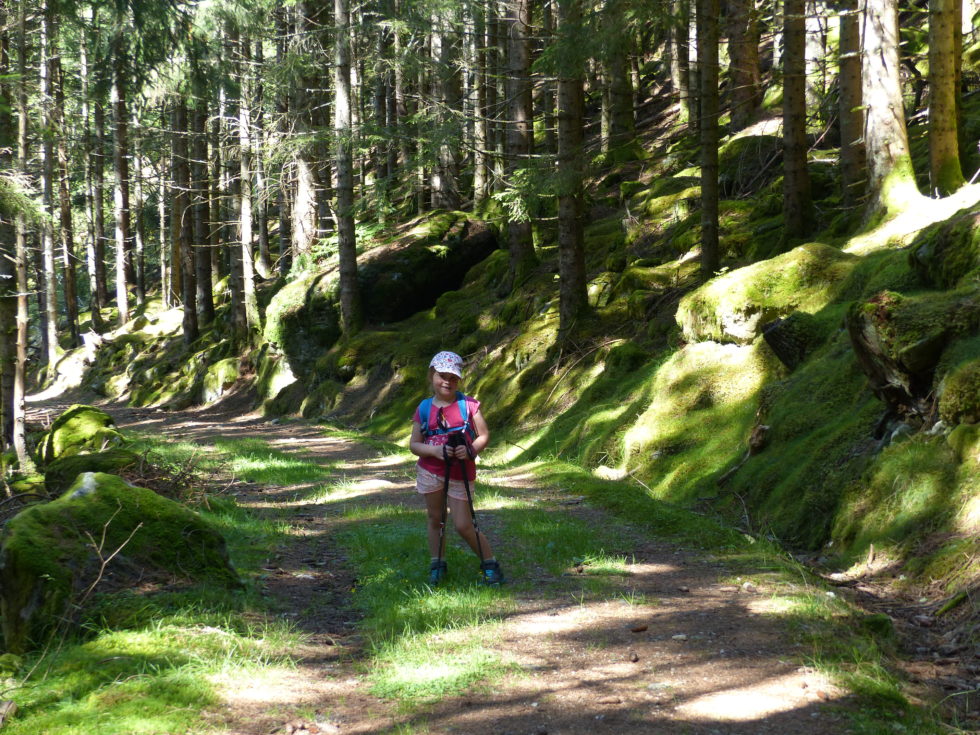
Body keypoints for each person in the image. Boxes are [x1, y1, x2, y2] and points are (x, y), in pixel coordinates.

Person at [409, 350, 504, 585]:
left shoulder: (468, 405)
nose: (447, 381)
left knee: (463, 524)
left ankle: (490, 564)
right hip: (431, 472)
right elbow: (414, 444)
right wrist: (434, 451)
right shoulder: (423, 408)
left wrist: (470, 450)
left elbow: (484, 436)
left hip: (461, 472)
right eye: (442, 375)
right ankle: (437, 564)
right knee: (435, 519)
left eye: (453, 378)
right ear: (432, 375)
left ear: (459, 380)